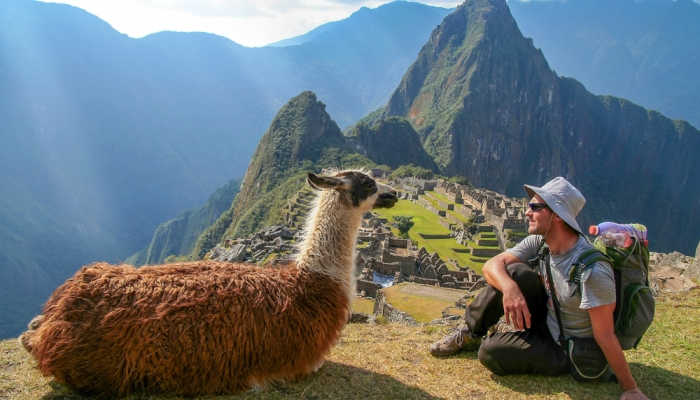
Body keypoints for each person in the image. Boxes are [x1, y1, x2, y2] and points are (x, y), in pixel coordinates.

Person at [429, 177, 648, 400]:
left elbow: (605, 336)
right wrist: (510, 289)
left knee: (491, 353)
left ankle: (509, 344)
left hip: (566, 347)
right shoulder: (540, 243)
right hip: (546, 321)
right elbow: (491, 265)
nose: (527, 212)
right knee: (513, 274)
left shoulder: (592, 271)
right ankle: (469, 333)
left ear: (557, 216)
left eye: (535, 207)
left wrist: (630, 388)